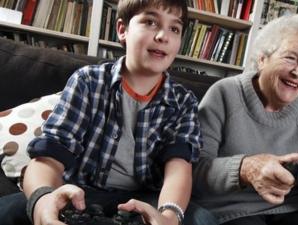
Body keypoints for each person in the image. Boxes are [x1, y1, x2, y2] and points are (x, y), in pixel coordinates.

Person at [0, 1, 217, 225]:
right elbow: (50, 155)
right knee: (7, 211)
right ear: (123, 30)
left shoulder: (184, 102)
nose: (163, 36)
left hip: (146, 199)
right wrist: (44, 200)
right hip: (80, 193)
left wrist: (169, 217)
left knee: (204, 220)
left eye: (175, 28)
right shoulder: (87, 81)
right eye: (150, 22)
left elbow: (179, 170)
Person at [192, 14, 298, 225]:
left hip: (291, 210)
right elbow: (192, 171)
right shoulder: (224, 94)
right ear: (262, 59)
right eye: (290, 58)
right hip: (232, 212)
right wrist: (245, 168)